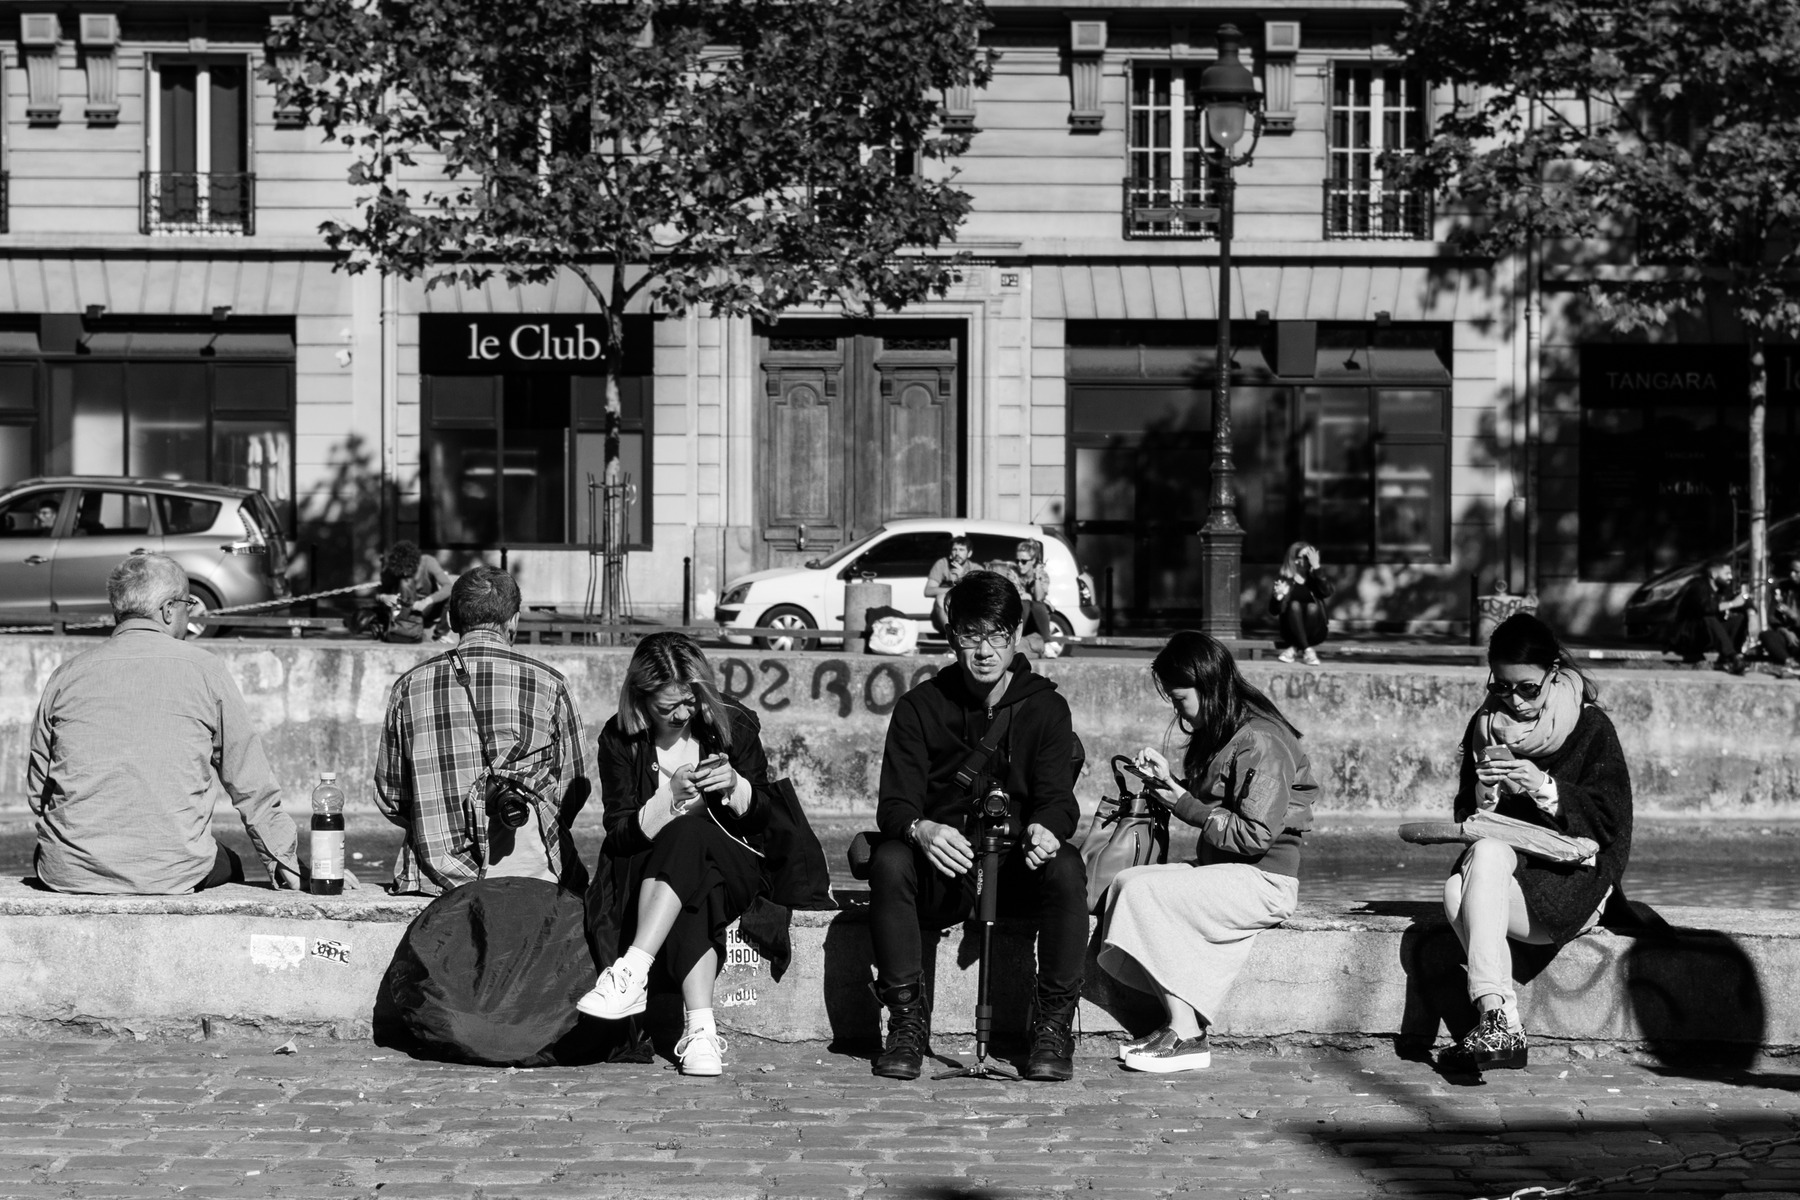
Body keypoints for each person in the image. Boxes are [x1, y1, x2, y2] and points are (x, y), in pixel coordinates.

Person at [866, 569, 1087, 1082]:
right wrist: (922, 830)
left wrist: (1048, 829)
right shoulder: (919, 707)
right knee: (890, 858)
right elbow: (894, 806)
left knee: (1068, 866)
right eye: (970, 635)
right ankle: (905, 1023)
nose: (984, 650)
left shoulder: (1046, 708)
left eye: (997, 636)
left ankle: (1052, 1026)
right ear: (952, 638)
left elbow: (1060, 801)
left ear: (1016, 637)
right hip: (947, 869)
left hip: (1014, 870)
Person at [1098, 631, 1316, 1073]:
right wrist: (1170, 785)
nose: (1178, 713)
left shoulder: (1263, 742)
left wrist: (1180, 802)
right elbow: (1214, 805)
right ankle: (1180, 1023)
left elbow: (1253, 835)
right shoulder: (1232, 731)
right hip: (1230, 872)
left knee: (1145, 895)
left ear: (1208, 686)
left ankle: (1187, 1032)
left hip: (1264, 881)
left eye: (1181, 700)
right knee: (1126, 882)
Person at [26, 553, 305, 894]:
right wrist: (284, 861)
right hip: (172, 872)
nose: (189, 614)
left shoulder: (66, 675)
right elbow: (251, 785)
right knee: (230, 863)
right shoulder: (205, 670)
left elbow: (38, 790)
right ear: (169, 609)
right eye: (189, 604)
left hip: (70, 871)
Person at [1438, 612, 1633, 1072]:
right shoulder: (1484, 726)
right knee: (1459, 880)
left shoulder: (1591, 728)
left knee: (1477, 865)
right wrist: (1485, 794)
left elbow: (1612, 827)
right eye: (1501, 687)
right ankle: (1500, 1018)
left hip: (1575, 884)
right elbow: (1468, 817)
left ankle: (1499, 1021)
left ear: (1554, 673)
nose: (1515, 700)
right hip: (1511, 881)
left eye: (1527, 687)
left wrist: (1546, 788)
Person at [577, 633, 776, 1077]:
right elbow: (620, 834)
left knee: (691, 836)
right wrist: (668, 797)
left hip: (736, 859)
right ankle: (701, 1032)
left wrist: (734, 785)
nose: (684, 713)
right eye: (669, 707)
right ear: (641, 699)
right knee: (695, 878)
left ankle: (632, 971)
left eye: (690, 700)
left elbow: (764, 817)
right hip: (659, 870)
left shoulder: (732, 721)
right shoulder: (620, 737)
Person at [374, 566, 590, 895]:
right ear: (514, 621)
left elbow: (391, 797)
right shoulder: (550, 684)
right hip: (534, 877)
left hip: (436, 884)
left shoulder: (408, 687)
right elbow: (575, 787)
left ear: (450, 620)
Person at [1668, 561, 1749, 674]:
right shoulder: (1698, 587)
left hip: (1706, 637)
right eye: (1727, 573)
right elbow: (1706, 608)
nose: (1730, 577)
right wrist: (1732, 604)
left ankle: (1729, 658)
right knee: (1709, 618)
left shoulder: (1722, 590)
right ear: (1713, 574)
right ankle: (1732, 657)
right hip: (1688, 638)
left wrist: (1752, 612)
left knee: (1738, 618)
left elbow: (1744, 601)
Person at [376, 540, 458, 643]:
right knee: (404, 584)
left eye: (408, 569)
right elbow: (378, 594)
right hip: (403, 609)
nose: (405, 573)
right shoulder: (391, 569)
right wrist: (384, 597)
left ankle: (440, 635)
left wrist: (426, 601)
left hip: (427, 607)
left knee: (454, 595)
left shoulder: (428, 561)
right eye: (402, 571)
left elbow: (448, 587)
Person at [1269, 542, 1334, 665]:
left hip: (1317, 631)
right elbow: (1273, 611)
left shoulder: (1315, 577)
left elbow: (1327, 592)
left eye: (1309, 557)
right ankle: (1308, 651)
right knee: (1294, 605)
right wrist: (1278, 597)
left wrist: (1317, 569)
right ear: (1294, 560)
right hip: (1290, 631)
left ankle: (1294, 649)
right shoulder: (1284, 579)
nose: (1307, 560)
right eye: (1304, 557)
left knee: (1312, 608)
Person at [1004, 539, 1065, 654]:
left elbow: (1038, 597)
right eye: (1017, 560)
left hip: (1034, 618)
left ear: (1033, 561)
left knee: (1038, 605)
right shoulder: (1012, 572)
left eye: (1024, 561)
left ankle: (1047, 642)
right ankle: (1015, 639)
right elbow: (1014, 593)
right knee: (1025, 604)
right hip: (1020, 616)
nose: (1019, 564)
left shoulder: (1042, 574)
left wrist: (1036, 578)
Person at [1757, 556, 1800, 678]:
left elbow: (1793, 616)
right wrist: (1785, 631)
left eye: (1797, 572)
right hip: (1788, 633)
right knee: (1766, 635)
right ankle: (1789, 663)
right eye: (1791, 571)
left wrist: (1793, 615)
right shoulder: (1781, 588)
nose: (1792, 575)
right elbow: (1772, 616)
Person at [924, 535, 975, 634]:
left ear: (969, 553)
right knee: (941, 598)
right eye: (954, 549)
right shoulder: (942, 564)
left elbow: (979, 593)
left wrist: (962, 578)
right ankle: (952, 635)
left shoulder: (975, 568)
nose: (957, 553)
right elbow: (928, 591)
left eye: (961, 550)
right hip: (944, 614)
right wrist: (953, 589)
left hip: (967, 614)